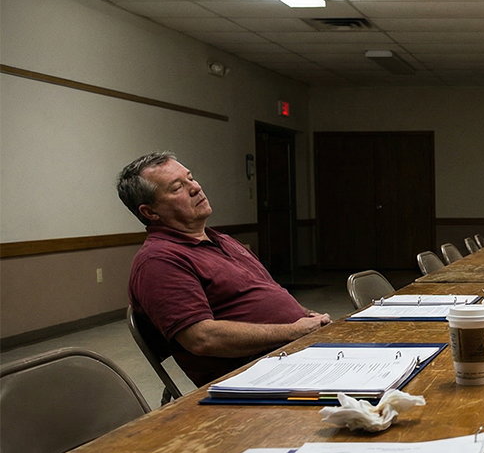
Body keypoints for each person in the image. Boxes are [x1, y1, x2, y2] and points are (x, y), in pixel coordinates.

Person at [118, 151, 331, 386]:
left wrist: (308, 317)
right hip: (256, 376)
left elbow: (268, 292)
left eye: (191, 178)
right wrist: (293, 331)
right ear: (150, 212)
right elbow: (201, 338)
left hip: (295, 354)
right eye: (177, 187)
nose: (196, 188)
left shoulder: (220, 239)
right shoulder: (159, 261)